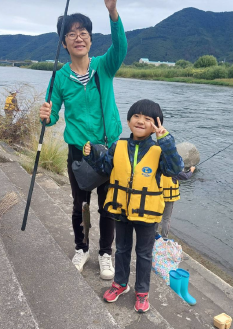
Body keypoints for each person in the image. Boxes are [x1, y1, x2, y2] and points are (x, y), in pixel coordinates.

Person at [39, 0, 127, 280]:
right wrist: (46, 116)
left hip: (110, 150)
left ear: (90, 39)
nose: (78, 38)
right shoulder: (60, 77)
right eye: (72, 34)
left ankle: (105, 254)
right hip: (79, 152)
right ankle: (81, 247)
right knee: (80, 203)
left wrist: (112, 11)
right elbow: (51, 118)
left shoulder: (105, 66)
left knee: (109, 206)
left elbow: (121, 47)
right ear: (64, 43)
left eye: (83, 33)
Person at [83, 99, 184, 313]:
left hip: (147, 215)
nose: (141, 121)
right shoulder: (118, 145)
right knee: (121, 250)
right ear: (129, 121)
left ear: (156, 125)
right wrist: (91, 155)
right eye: (136, 116)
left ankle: (142, 292)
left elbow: (175, 168)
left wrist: (165, 139)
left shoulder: (159, 150)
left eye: (148, 119)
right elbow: (104, 168)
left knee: (144, 254)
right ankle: (120, 284)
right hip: (121, 210)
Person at [156, 167, 196, 239]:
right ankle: (164, 237)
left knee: (156, 216)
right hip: (169, 199)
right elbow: (186, 176)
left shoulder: (158, 169)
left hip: (158, 196)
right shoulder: (173, 171)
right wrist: (191, 170)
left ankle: (155, 233)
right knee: (166, 219)